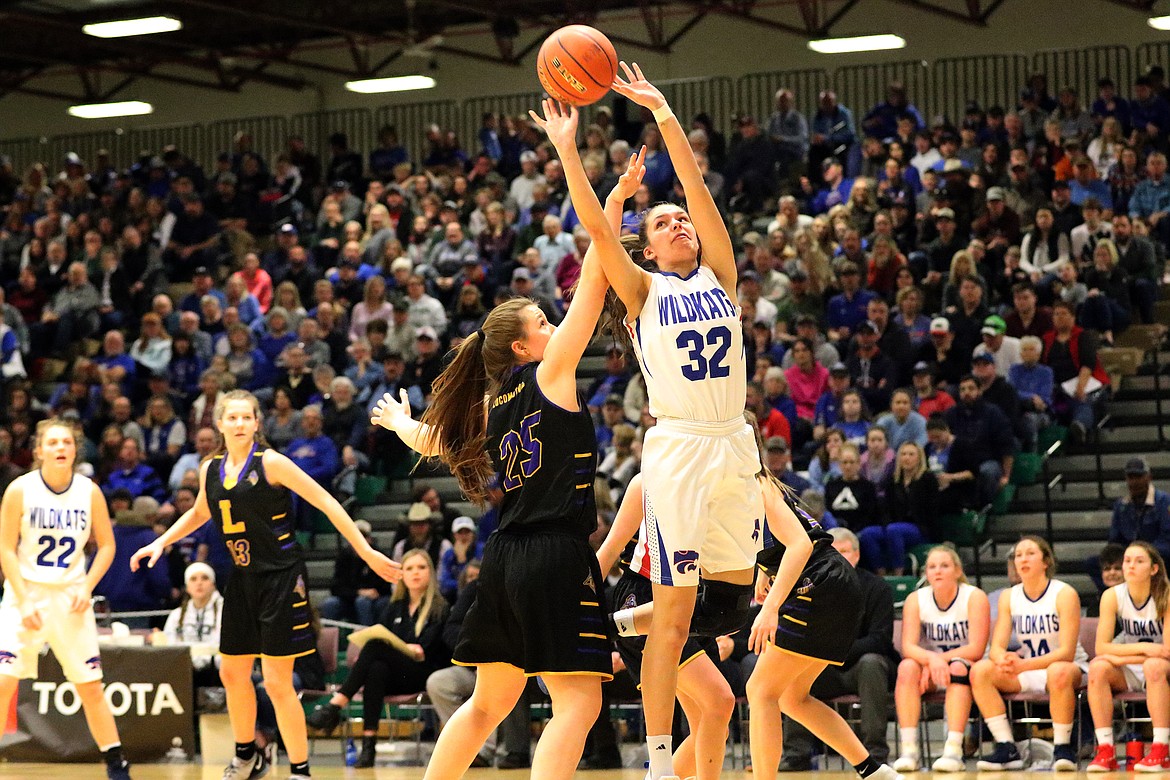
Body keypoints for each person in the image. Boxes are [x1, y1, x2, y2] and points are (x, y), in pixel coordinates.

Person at [368, 100, 638, 780]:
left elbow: (434, 442)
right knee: (578, 700)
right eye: (544, 321)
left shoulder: (492, 403)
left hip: (504, 558)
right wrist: (602, 186)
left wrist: (401, 424)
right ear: (523, 345)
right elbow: (599, 269)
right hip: (551, 553)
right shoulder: (547, 372)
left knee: (490, 703)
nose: (555, 325)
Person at [597, 63, 763, 780]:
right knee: (674, 610)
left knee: (730, 600)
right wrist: (619, 197)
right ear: (650, 247)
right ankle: (659, 760)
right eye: (664, 223)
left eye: (684, 220)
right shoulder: (642, 290)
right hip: (680, 450)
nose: (680, 223)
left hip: (736, 443)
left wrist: (665, 113)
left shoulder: (718, 275)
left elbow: (699, 189)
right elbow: (602, 245)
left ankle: (620, 622)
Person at [129, 390, 400, 780]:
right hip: (242, 577)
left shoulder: (271, 462)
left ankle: (301, 770)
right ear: (219, 424)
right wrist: (160, 541)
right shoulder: (210, 469)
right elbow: (199, 513)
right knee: (232, 674)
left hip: (282, 577)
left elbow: (326, 501)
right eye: (232, 418)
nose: (239, 424)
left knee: (276, 682)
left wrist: (365, 551)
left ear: (257, 423)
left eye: (246, 417)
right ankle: (247, 755)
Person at [0, 419, 133, 780]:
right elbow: (6, 549)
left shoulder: (89, 491)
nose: (61, 447)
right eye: (52, 442)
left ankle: (117, 765)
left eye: (67, 442)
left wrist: (86, 586)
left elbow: (106, 545)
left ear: (75, 450)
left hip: (70, 597)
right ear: (39, 450)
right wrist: (24, 600)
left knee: (90, 687)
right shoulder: (19, 490)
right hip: (24, 594)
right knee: (3, 681)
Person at [596, 472, 736, 780]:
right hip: (644, 595)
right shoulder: (646, 481)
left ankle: (658, 776)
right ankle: (659, 772)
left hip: (691, 597)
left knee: (710, 724)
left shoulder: (719, 483)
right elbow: (610, 548)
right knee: (720, 701)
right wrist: (576, 606)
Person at [750, 525, 901, 779]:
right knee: (792, 698)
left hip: (820, 582)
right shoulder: (759, 494)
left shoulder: (761, 488)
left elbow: (800, 544)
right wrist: (765, 570)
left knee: (760, 691)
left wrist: (771, 606)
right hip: (834, 584)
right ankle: (872, 770)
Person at [306, 549, 450, 766]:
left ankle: (336, 704)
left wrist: (407, 648)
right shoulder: (394, 607)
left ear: (431, 572)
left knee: (375, 647)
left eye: (421, 567)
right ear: (401, 574)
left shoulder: (441, 607)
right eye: (409, 568)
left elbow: (427, 650)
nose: (415, 573)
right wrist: (404, 647)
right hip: (397, 676)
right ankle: (368, 745)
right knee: (376, 669)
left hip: (424, 674)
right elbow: (390, 638)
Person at [972, 536, 1088, 772]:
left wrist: (1022, 665)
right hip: (1030, 668)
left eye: (1030, 553)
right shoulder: (1009, 596)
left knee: (1058, 671)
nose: (1022, 559)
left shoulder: (1064, 593)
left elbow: (1065, 652)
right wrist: (1002, 659)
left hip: (1068, 668)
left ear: (1046, 561)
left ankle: (1063, 747)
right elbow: (996, 647)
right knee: (980, 670)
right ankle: (1007, 747)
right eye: (1018, 555)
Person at [893, 546, 991, 772]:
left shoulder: (974, 597)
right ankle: (909, 751)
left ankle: (953, 751)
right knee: (907, 667)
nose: (938, 571)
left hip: (968, 668)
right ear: (926, 573)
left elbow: (976, 649)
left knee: (957, 666)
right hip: (929, 671)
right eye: (932, 567)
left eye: (944, 566)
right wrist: (931, 661)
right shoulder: (916, 599)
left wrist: (939, 660)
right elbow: (908, 646)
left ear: (957, 571)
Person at [1086, 541, 1170, 772]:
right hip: (1137, 664)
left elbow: (1166, 651)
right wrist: (1142, 652)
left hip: (1162, 668)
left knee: (1154, 665)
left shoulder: (1166, 594)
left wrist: (1120, 656)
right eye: (1127, 561)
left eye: (1139, 561)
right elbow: (1101, 647)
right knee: (1098, 668)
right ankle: (1106, 751)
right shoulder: (1112, 596)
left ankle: (1161, 749)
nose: (1130, 566)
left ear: (1153, 569)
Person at [1108, 457, 1170, 563]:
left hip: (1158, 555)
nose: (1134, 482)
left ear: (1149, 477)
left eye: (1138, 477)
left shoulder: (1164, 501)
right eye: (1130, 477)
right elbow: (1114, 540)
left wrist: (1143, 553)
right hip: (1130, 556)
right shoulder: (1121, 505)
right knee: (1093, 563)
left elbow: (1166, 538)